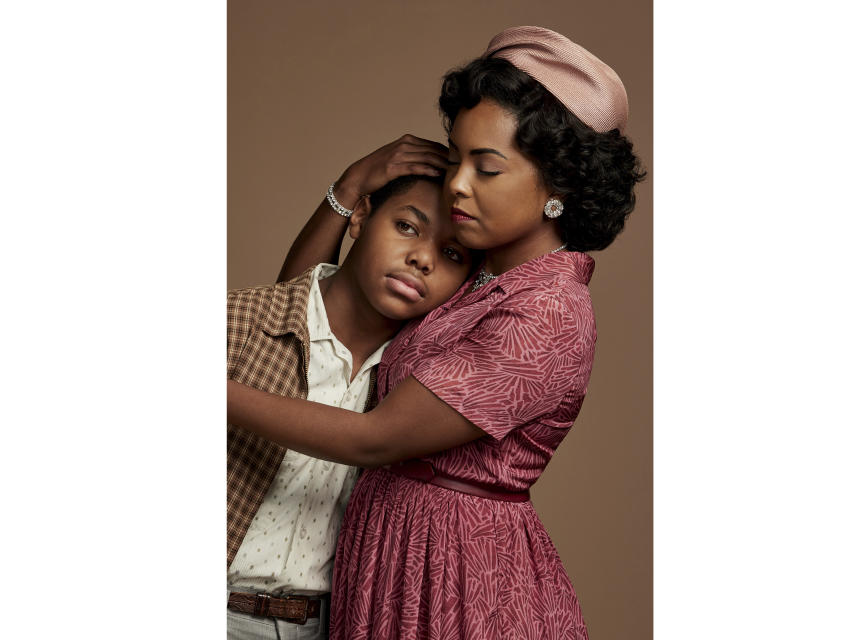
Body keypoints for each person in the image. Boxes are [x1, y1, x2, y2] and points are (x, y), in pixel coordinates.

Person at [227, 26, 645, 639]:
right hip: (391, 563)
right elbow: (302, 326)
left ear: (559, 188)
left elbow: (374, 439)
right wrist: (348, 191)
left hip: (453, 581)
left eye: (487, 168)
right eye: (455, 158)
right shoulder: (477, 277)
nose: (458, 184)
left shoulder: (546, 313)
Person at [226, 172, 473, 640]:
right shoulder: (239, 324)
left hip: (328, 624)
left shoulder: (413, 390)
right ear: (360, 216)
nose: (422, 258)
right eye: (407, 227)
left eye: (452, 254)